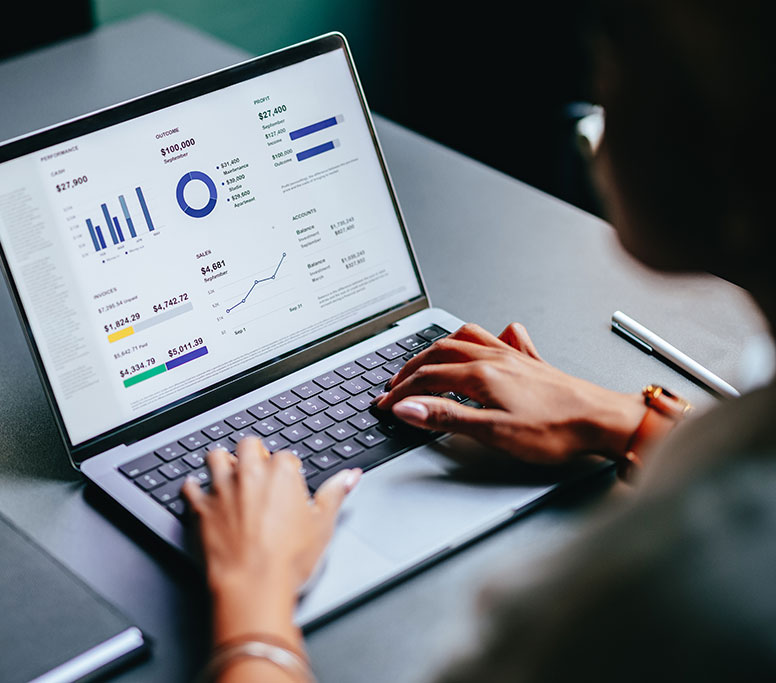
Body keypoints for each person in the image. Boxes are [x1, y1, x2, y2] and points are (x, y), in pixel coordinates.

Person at [182, 0, 776, 680]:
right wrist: (627, 420)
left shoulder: (659, 600)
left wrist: (254, 608)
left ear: (717, 142)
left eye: (617, 47)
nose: (599, 86)